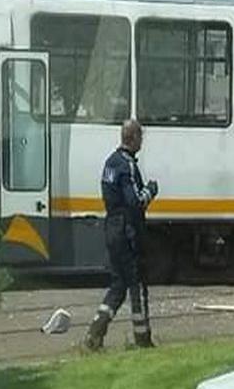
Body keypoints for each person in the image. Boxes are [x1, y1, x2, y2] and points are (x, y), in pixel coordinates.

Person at [84, 120, 158, 351]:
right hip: (127, 232)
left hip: (112, 228)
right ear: (133, 138)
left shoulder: (110, 163)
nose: (142, 142)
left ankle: (95, 333)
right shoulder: (127, 166)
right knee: (136, 283)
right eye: (140, 138)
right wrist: (151, 190)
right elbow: (135, 201)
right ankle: (142, 338)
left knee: (118, 285)